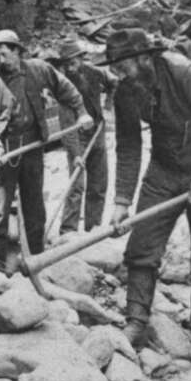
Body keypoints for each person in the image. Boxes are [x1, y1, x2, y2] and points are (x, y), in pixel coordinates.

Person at [103, 28, 191, 361]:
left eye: (122, 64)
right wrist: (121, 202)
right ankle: (136, 321)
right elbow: (129, 147)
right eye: (113, 65)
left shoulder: (187, 75)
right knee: (141, 248)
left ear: (144, 57)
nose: (116, 72)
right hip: (163, 170)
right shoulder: (126, 92)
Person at [0, 29, 91, 272]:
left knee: (34, 205)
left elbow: (67, 89)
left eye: (5, 54)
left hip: (33, 146)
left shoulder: (40, 69)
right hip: (6, 149)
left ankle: (37, 260)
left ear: (18, 51)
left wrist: (82, 112)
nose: (0, 60)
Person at [53, 38, 118, 234]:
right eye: (66, 64)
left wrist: (107, 106)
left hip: (97, 132)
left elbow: (114, 83)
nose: (70, 67)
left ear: (81, 59)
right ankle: (68, 230)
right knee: (76, 186)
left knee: (98, 184)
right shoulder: (62, 85)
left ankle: (93, 228)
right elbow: (67, 125)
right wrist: (76, 154)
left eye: (73, 62)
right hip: (77, 136)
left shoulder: (95, 73)